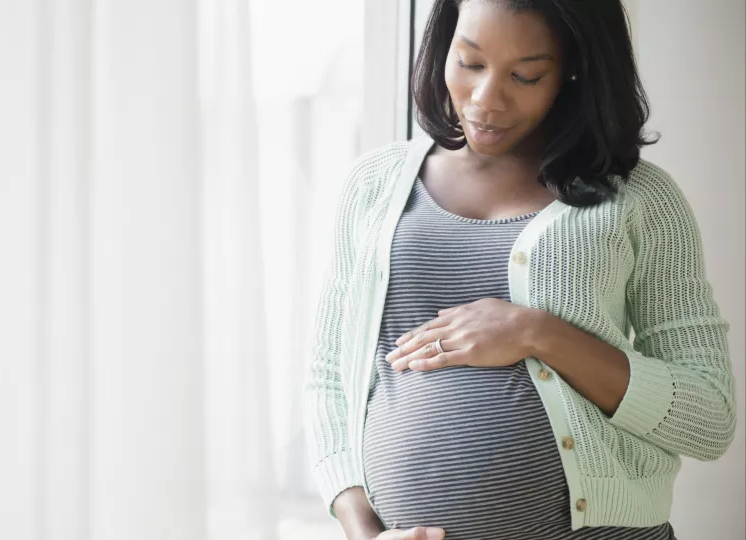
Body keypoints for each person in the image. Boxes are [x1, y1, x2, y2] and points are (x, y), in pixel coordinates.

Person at [301, 1, 736, 539]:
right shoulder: (373, 185)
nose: (486, 101)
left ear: (574, 67)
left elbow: (708, 416)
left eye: (525, 75)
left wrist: (537, 333)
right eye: (469, 63)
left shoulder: (638, 200)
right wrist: (363, 530)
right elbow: (329, 381)